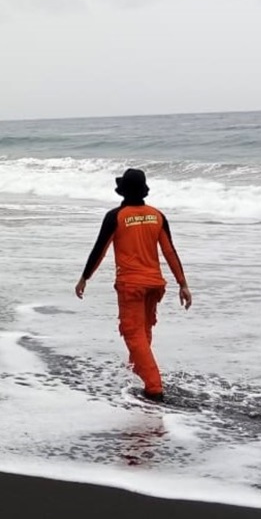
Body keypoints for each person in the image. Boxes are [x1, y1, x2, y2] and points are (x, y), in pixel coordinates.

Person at [74, 168, 191, 402]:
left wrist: (85, 277)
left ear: (123, 190)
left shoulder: (116, 216)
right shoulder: (156, 215)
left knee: (132, 332)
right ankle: (137, 369)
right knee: (144, 330)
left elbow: (100, 249)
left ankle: (154, 387)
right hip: (155, 285)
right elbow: (169, 251)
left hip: (131, 285)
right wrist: (183, 284)